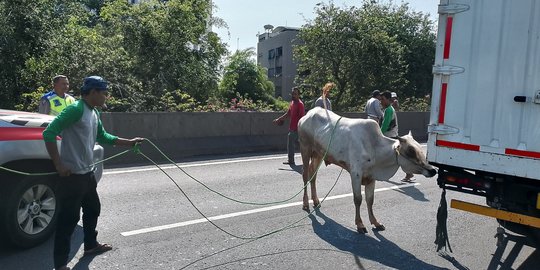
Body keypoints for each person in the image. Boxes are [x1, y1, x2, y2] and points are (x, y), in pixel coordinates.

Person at [43, 76, 144, 270]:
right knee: (68, 221)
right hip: (72, 176)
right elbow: (49, 132)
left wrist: (130, 142)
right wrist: (58, 165)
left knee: (93, 209)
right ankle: (60, 265)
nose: (106, 96)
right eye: (104, 92)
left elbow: (103, 136)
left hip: (87, 174)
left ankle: (90, 245)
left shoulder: (94, 112)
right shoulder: (76, 109)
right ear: (93, 92)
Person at [380, 91, 414, 182]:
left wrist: (378, 134)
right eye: (380, 99)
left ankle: (409, 172)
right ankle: (408, 173)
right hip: (391, 136)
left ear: (388, 99)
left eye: (382, 99)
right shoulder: (389, 109)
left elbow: (385, 125)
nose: (381, 102)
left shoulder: (388, 110)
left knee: (398, 157)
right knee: (397, 157)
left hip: (390, 137)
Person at [273, 87, 305, 165]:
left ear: (299, 95)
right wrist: (279, 119)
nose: (294, 95)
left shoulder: (300, 104)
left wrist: (300, 129)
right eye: (293, 93)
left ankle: (292, 160)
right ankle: (292, 160)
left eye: (295, 94)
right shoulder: (292, 103)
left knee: (297, 144)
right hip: (292, 127)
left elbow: (302, 118)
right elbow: (288, 114)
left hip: (297, 128)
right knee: (295, 144)